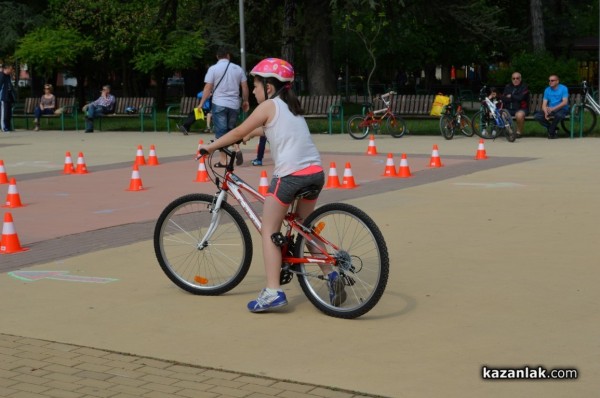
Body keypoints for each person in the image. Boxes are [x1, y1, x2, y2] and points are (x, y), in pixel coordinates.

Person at [198, 58, 345, 312]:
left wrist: (210, 146)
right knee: (305, 228)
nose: (253, 91)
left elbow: (234, 131)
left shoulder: (267, 106)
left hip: (290, 177)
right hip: (315, 174)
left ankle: (273, 291)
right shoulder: (291, 107)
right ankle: (331, 274)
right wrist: (249, 135)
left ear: (268, 87)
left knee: (269, 231)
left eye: (255, 86)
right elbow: (267, 130)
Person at [197, 47, 250, 167]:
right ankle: (237, 149)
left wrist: (201, 103)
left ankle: (223, 160)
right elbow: (245, 87)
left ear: (217, 56)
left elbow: (208, 88)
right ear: (228, 56)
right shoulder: (238, 69)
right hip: (234, 104)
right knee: (232, 130)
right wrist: (245, 101)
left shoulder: (213, 69)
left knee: (221, 133)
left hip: (219, 103)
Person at [534, 75, 569, 139]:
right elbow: (544, 104)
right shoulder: (547, 90)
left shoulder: (563, 88)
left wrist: (553, 108)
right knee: (537, 116)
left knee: (559, 115)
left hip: (562, 109)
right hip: (550, 109)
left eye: (552, 80)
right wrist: (545, 112)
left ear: (557, 81)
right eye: (549, 80)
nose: (550, 82)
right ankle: (553, 128)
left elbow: (564, 102)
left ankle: (551, 132)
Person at [500, 72, 529, 138]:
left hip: (521, 108)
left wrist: (511, 96)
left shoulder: (524, 87)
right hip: (509, 109)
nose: (515, 80)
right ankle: (510, 132)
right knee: (502, 114)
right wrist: (515, 97)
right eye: (513, 78)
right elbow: (503, 98)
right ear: (511, 79)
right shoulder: (508, 86)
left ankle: (519, 132)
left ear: (520, 79)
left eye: (517, 78)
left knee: (519, 115)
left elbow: (521, 98)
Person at [0, 64, 16, 132]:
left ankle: (8, 126)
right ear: (6, 69)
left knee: (9, 113)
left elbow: (10, 85)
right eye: (11, 69)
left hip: (9, 96)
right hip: (4, 97)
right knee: (4, 113)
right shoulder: (1, 75)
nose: (11, 71)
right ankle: (4, 127)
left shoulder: (8, 76)